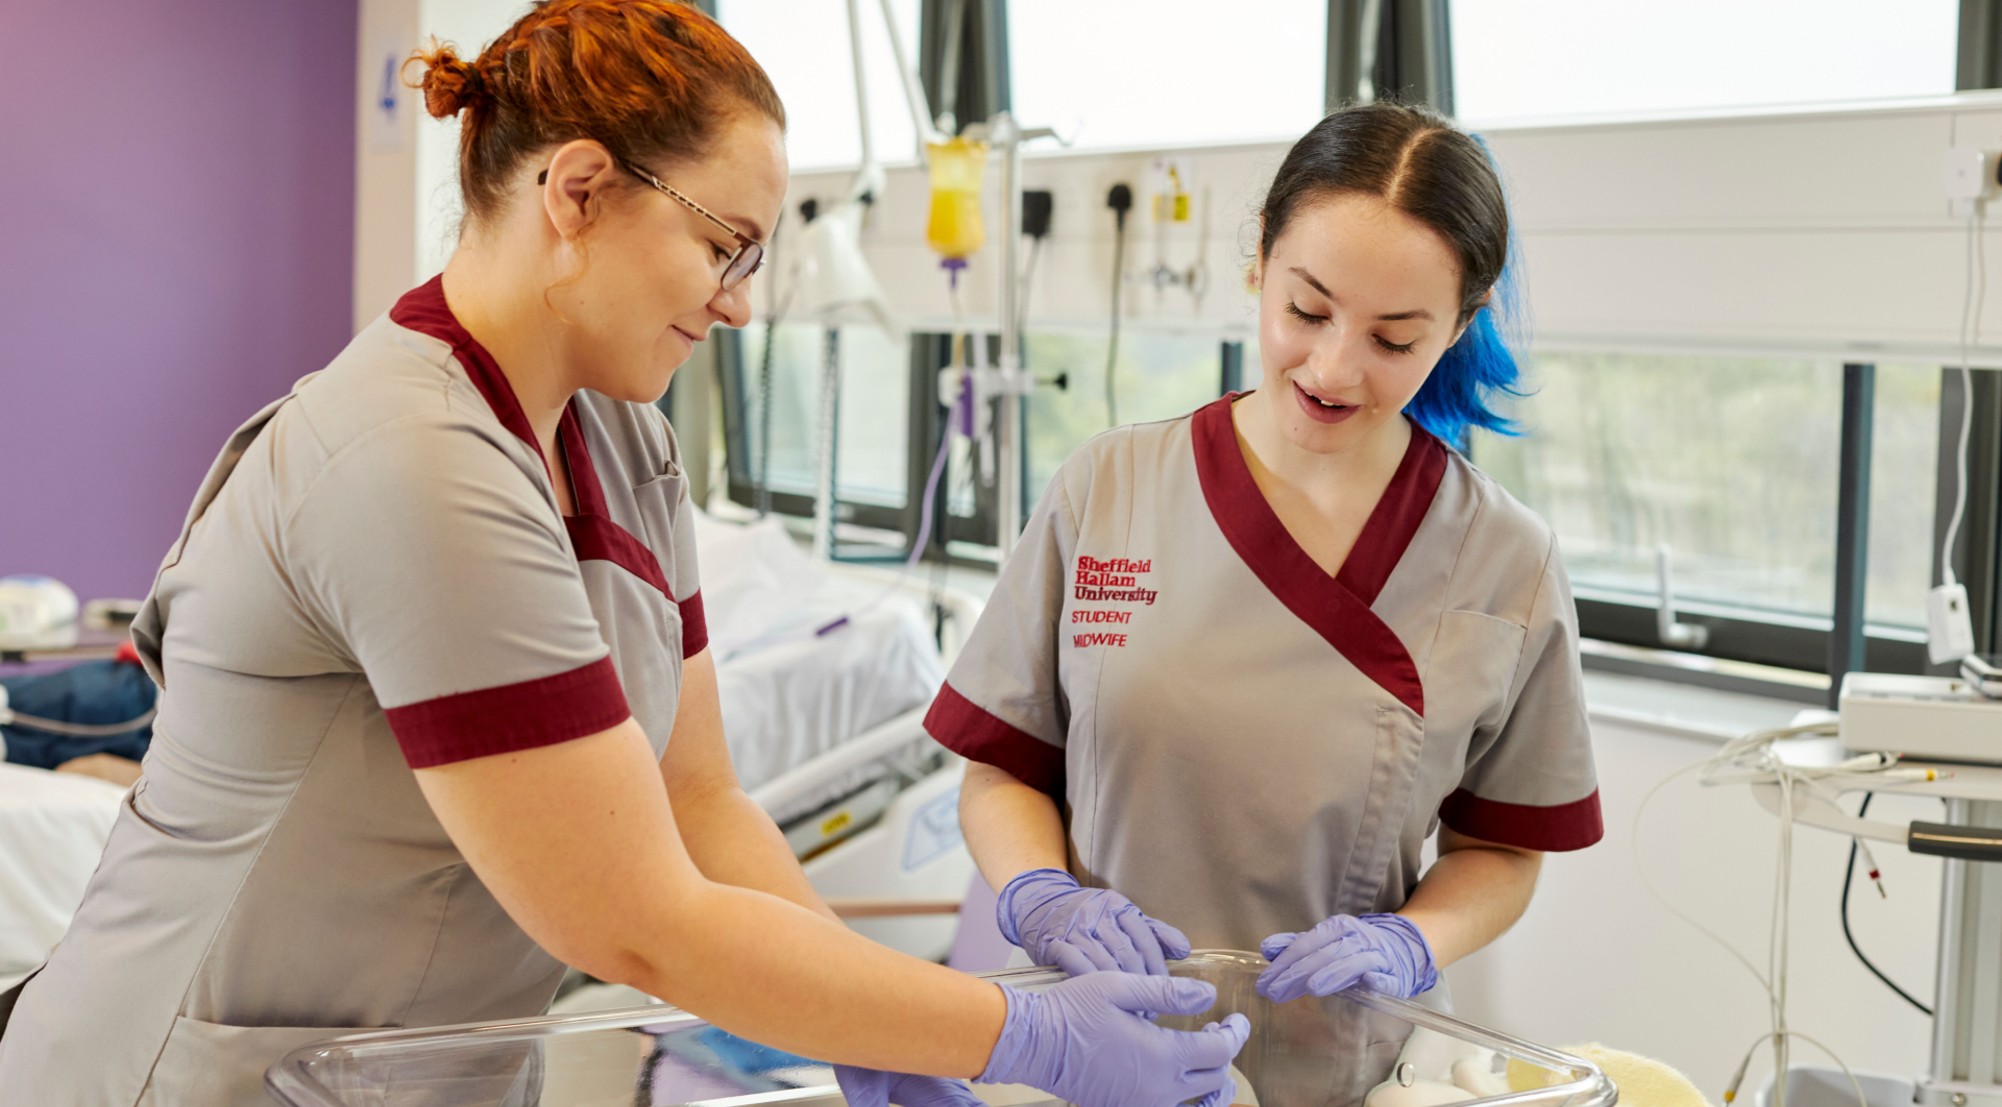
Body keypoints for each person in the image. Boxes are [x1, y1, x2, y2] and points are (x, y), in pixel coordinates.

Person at [0, 4, 1248, 1104]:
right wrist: (1006, 1031)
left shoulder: (623, 443)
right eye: (725, 246)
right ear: (579, 190)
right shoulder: (407, 459)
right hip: (188, 1076)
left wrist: (878, 1022)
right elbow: (635, 917)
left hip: (415, 1069)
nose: (741, 301)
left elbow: (697, 802)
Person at [928, 101, 1603, 1098]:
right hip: (1087, 1044)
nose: (1333, 368)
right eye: (1307, 310)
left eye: (1394, 338)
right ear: (1258, 261)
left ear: (1461, 322)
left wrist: (1411, 942)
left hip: (1324, 1066)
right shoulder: (1108, 489)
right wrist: (1040, 898)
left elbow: (1500, 849)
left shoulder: (1503, 563)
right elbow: (1002, 768)